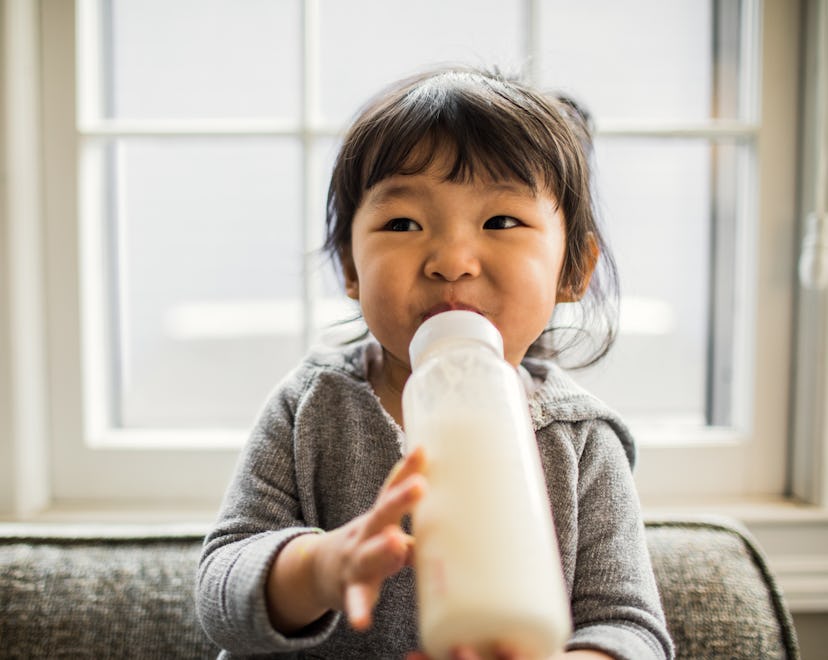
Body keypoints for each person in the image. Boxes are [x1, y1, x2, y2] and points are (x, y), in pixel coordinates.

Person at [196, 65, 674, 660]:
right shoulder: (312, 406)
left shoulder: (579, 441)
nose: (451, 260)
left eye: (501, 221)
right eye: (403, 223)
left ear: (574, 268)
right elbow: (219, 595)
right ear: (350, 268)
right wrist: (321, 567)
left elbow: (630, 629)